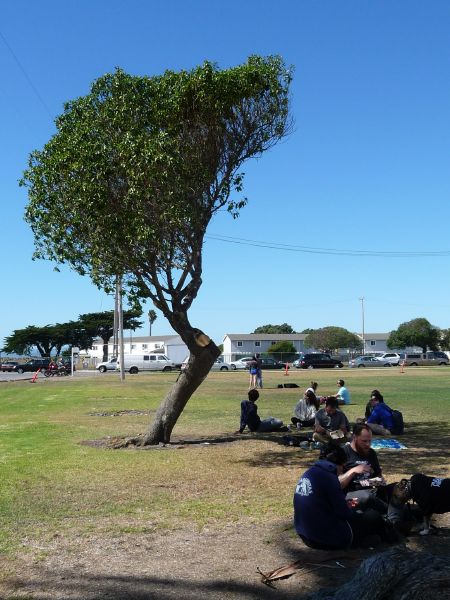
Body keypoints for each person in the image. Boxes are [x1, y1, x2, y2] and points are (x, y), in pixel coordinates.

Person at [294, 445, 394, 549]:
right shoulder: (330, 478)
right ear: (339, 464)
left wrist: (344, 504)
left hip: (305, 534)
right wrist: (351, 509)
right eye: (343, 467)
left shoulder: (309, 473)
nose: (342, 471)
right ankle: (390, 538)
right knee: (372, 516)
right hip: (323, 538)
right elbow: (344, 514)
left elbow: (321, 503)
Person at [340, 424, 388, 512]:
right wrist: (353, 471)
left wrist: (379, 481)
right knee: (367, 498)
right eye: (364, 441)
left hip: (370, 491)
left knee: (396, 489)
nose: (368, 444)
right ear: (354, 437)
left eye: (370, 441)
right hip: (350, 496)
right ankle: (390, 514)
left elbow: (379, 479)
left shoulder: (371, 453)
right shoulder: (343, 453)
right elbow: (338, 484)